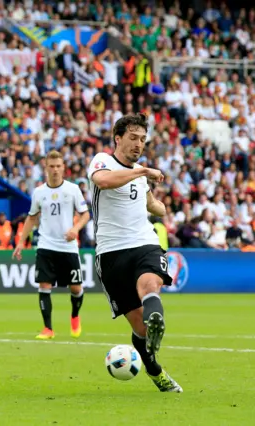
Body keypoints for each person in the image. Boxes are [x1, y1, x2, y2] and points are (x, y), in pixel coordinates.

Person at [87, 113, 182, 392]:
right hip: (111, 253)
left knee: (150, 283)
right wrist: (143, 171)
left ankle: (157, 320)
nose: (138, 144)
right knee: (139, 330)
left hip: (144, 242)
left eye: (142, 139)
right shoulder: (102, 161)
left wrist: (161, 208)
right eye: (133, 138)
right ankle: (154, 370)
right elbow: (104, 181)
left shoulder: (140, 177)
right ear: (118, 138)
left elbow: (151, 203)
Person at [13, 150, 90, 340]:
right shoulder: (39, 192)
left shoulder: (72, 189)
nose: (55, 170)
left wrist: (75, 228)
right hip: (46, 245)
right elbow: (31, 218)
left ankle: (74, 316)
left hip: (68, 246)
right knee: (44, 285)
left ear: (63, 168)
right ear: (45, 168)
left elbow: (85, 214)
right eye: (51, 166)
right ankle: (48, 328)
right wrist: (21, 243)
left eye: (58, 166)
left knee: (75, 288)